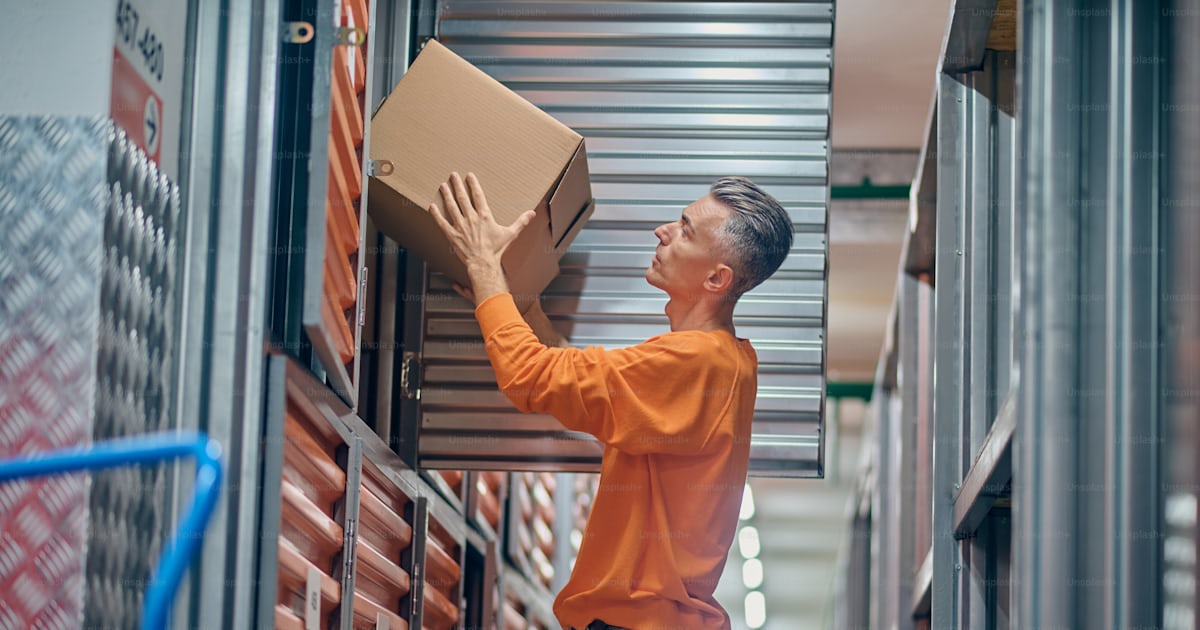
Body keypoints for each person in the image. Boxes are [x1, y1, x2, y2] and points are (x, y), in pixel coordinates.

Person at [427, 172, 793, 630]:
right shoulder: (724, 360)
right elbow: (577, 371)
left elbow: (527, 377)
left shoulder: (696, 363)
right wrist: (513, 300)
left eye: (684, 229)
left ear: (717, 278)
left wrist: (483, 263)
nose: (663, 232)